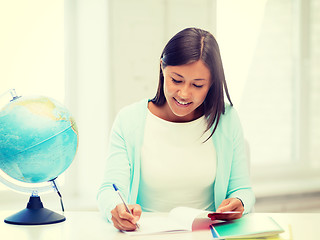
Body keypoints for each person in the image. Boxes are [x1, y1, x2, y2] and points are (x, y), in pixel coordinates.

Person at [97, 27, 255, 231]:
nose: (184, 94)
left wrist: (239, 202)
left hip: (206, 234)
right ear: (162, 68)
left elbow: (243, 189)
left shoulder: (226, 119)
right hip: (146, 234)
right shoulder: (129, 121)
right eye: (176, 80)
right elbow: (109, 188)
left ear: (211, 83)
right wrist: (115, 208)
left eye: (198, 85)